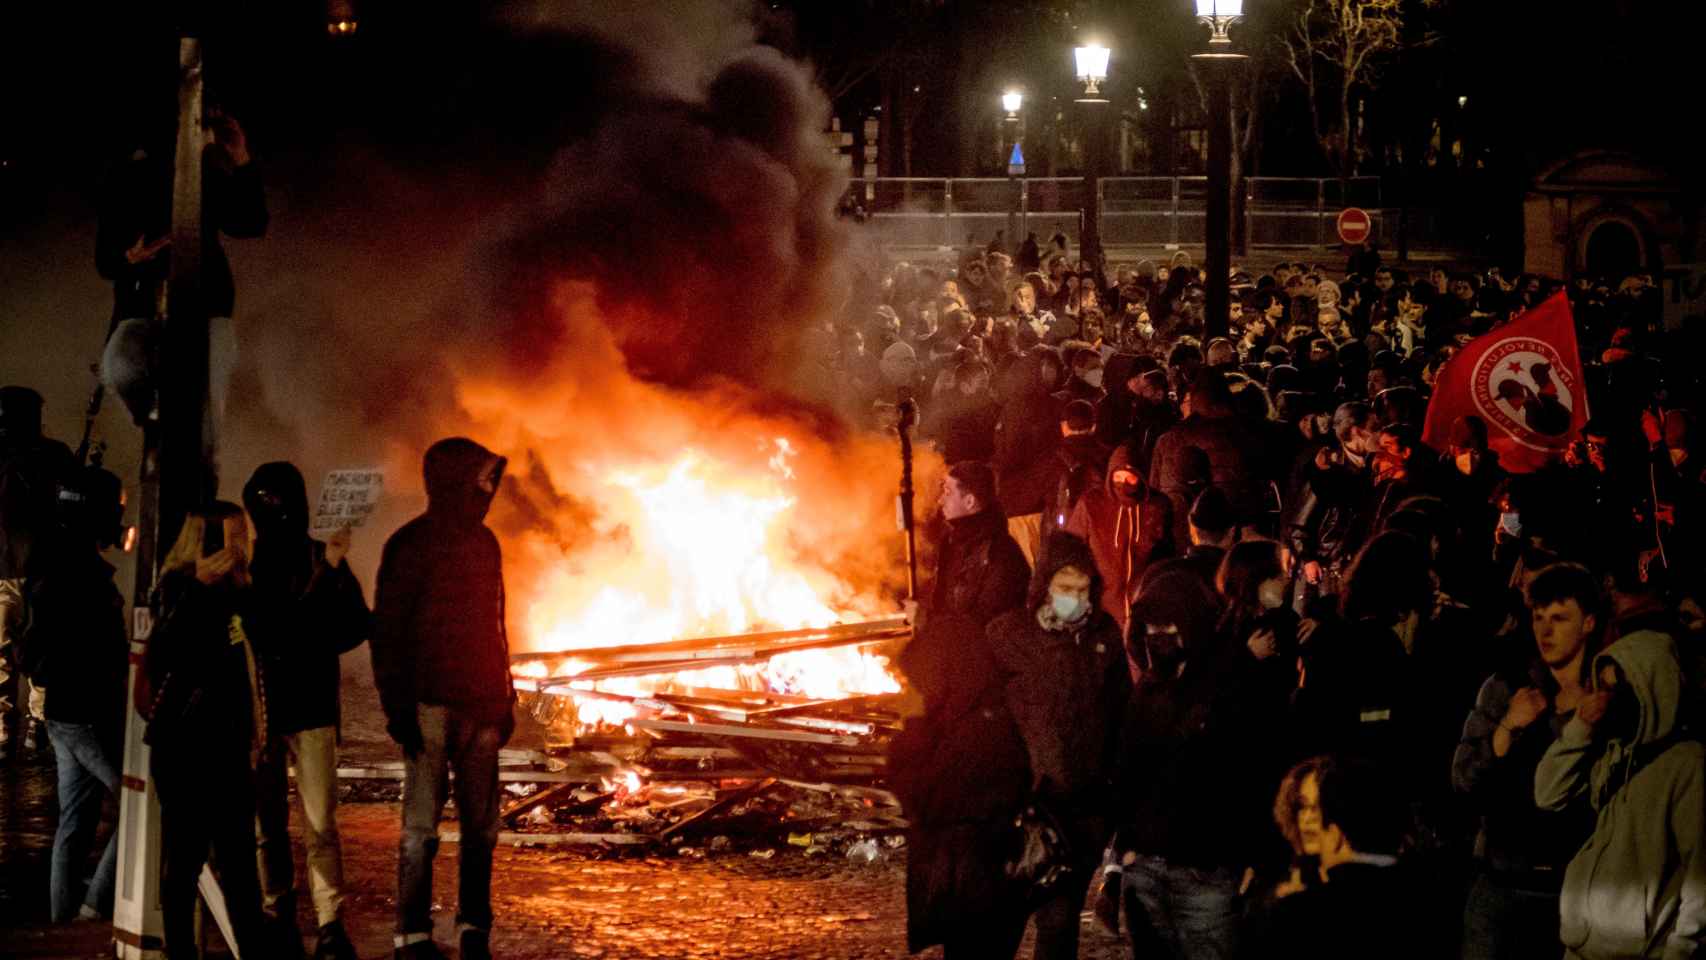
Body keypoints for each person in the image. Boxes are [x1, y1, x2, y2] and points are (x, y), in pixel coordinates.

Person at [372, 439, 516, 960]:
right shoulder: (409, 545)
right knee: (420, 830)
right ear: (453, 480)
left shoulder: (485, 543)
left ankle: (474, 929)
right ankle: (411, 936)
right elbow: (387, 634)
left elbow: (495, 625)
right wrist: (397, 709)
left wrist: (506, 698)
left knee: (481, 829)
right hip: (428, 707)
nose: (487, 488)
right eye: (479, 479)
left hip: (480, 707)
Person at [891, 461, 1033, 960]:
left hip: (982, 707)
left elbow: (983, 633)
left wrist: (929, 622)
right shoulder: (955, 544)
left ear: (972, 500)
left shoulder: (1002, 558)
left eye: (949, 491)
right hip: (954, 706)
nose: (941, 499)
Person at [982, 533, 1131, 960]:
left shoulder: (1103, 637)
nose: (1076, 599)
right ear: (1045, 585)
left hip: (1079, 814)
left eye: (1083, 589)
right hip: (1020, 813)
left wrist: (1109, 794)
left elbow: (1120, 715)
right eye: (1066, 589)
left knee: (1059, 926)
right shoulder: (1008, 635)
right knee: (1000, 926)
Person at [243, 463, 371, 960]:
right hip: (271, 711)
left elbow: (356, 625)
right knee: (278, 823)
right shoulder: (257, 564)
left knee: (314, 824)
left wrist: (327, 595)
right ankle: (291, 914)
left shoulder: (318, 559)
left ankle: (323, 920)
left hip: (298, 708)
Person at [141, 502, 273, 960]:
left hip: (230, 751)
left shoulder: (242, 592)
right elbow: (166, 655)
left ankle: (251, 950)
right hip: (188, 751)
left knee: (239, 870)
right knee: (184, 863)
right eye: (238, 535)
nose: (245, 543)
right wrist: (198, 589)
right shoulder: (178, 586)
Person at [1453, 563, 1602, 960]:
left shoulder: (1605, 696)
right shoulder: (1507, 688)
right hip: (1502, 882)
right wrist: (1506, 729)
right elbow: (1464, 781)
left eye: (1559, 618)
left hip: (1572, 887)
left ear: (1588, 623)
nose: (1546, 631)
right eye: (1539, 618)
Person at [1114, 570, 1266, 960]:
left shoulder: (1232, 681)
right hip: (1147, 866)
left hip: (1206, 867)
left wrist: (1250, 854)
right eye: (1151, 628)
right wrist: (1125, 853)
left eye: (1169, 627)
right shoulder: (1148, 689)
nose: (1159, 637)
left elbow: (1252, 771)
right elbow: (1130, 774)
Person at [1534, 630, 1705, 960]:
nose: (1606, 699)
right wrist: (1580, 729)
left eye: (1618, 688)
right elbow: (1547, 793)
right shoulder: (1612, 751)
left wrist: (1681, 952)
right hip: (1580, 947)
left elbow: (1700, 875)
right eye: (1603, 686)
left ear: (1651, 687)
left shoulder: (1688, 763)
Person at [16, 465, 128, 921]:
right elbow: (102, 648)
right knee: (143, 807)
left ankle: (62, 918)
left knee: (74, 819)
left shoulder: (51, 560)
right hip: (88, 711)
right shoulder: (82, 575)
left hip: (62, 712)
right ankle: (92, 906)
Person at [1240, 756, 1430, 960]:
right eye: (1302, 806)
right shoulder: (1281, 885)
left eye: (1318, 806)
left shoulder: (1378, 886)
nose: (1309, 818)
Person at [0, 385, 76, 759]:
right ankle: (24, 727)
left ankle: (33, 724)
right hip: (29, 567)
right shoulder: (53, 455)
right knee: (28, 650)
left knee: (38, 650)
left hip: (37, 568)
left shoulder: (51, 456)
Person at [1065, 444, 1174, 634]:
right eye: (1118, 477)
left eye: (1129, 477)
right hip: (1102, 614)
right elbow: (1071, 551)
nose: (1123, 483)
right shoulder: (1091, 504)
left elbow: (1168, 554)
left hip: (1143, 612)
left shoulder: (1156, 507)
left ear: (1140, 477)